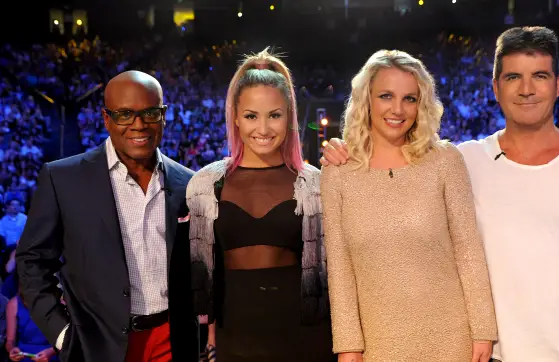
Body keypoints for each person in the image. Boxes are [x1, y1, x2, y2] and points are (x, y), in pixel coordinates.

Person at [322, 27, 559, 362]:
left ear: (558, 84)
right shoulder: (466, 158)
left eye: (540, 76)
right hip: (490, 353)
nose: (527, 89)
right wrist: (341, 149)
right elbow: (396, 177)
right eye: (514, 76)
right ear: (496, 87)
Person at [320, 49, 496, 362]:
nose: (397, 109)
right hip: (377, 344)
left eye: (410, 99)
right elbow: (340, 270)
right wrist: (348, 346)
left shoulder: (445, 162)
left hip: (452, 340)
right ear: (367, 100)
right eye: (386, 96)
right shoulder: (338, 173)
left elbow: (468, 252)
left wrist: (483, 331)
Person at [15, 70, 199, 362]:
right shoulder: (62, 178)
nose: (139, 125)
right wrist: (62, 334)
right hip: (97, 347)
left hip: (171, 343)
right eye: (125, 114)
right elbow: (31, 262)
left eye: (150, 113)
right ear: (106, 119)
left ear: (163, 115)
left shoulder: (188, 182)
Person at [186, 48, 333, 362]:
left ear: (289, 117)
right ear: (236, 117)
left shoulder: (315, 183)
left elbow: (331, 273)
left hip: (305, 338)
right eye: (252, 116)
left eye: (274, 115)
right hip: (234, 338)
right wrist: (210, 341)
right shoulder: (205, 184)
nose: (263, 129)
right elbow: (205, 277)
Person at [5, 283, 56, 362]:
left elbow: (67, 340)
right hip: (23, 355)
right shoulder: (13, 304)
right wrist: (11, 349)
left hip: (52, 353)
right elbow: (10, 340)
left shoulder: (56, 302)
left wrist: (52, 351)